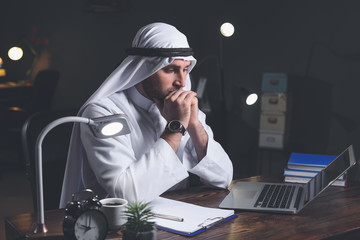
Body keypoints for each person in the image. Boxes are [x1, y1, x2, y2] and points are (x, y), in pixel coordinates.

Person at [59, 22, 233, 208]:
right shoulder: (103, 113)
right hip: (122, 226)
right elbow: (126, 194)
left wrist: (194, 125)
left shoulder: (181, 108)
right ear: (144, 69)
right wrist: (175, 128)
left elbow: (224, 177)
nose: (181, 82)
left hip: (180, 215)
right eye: (170, 70)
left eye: (185, 69)